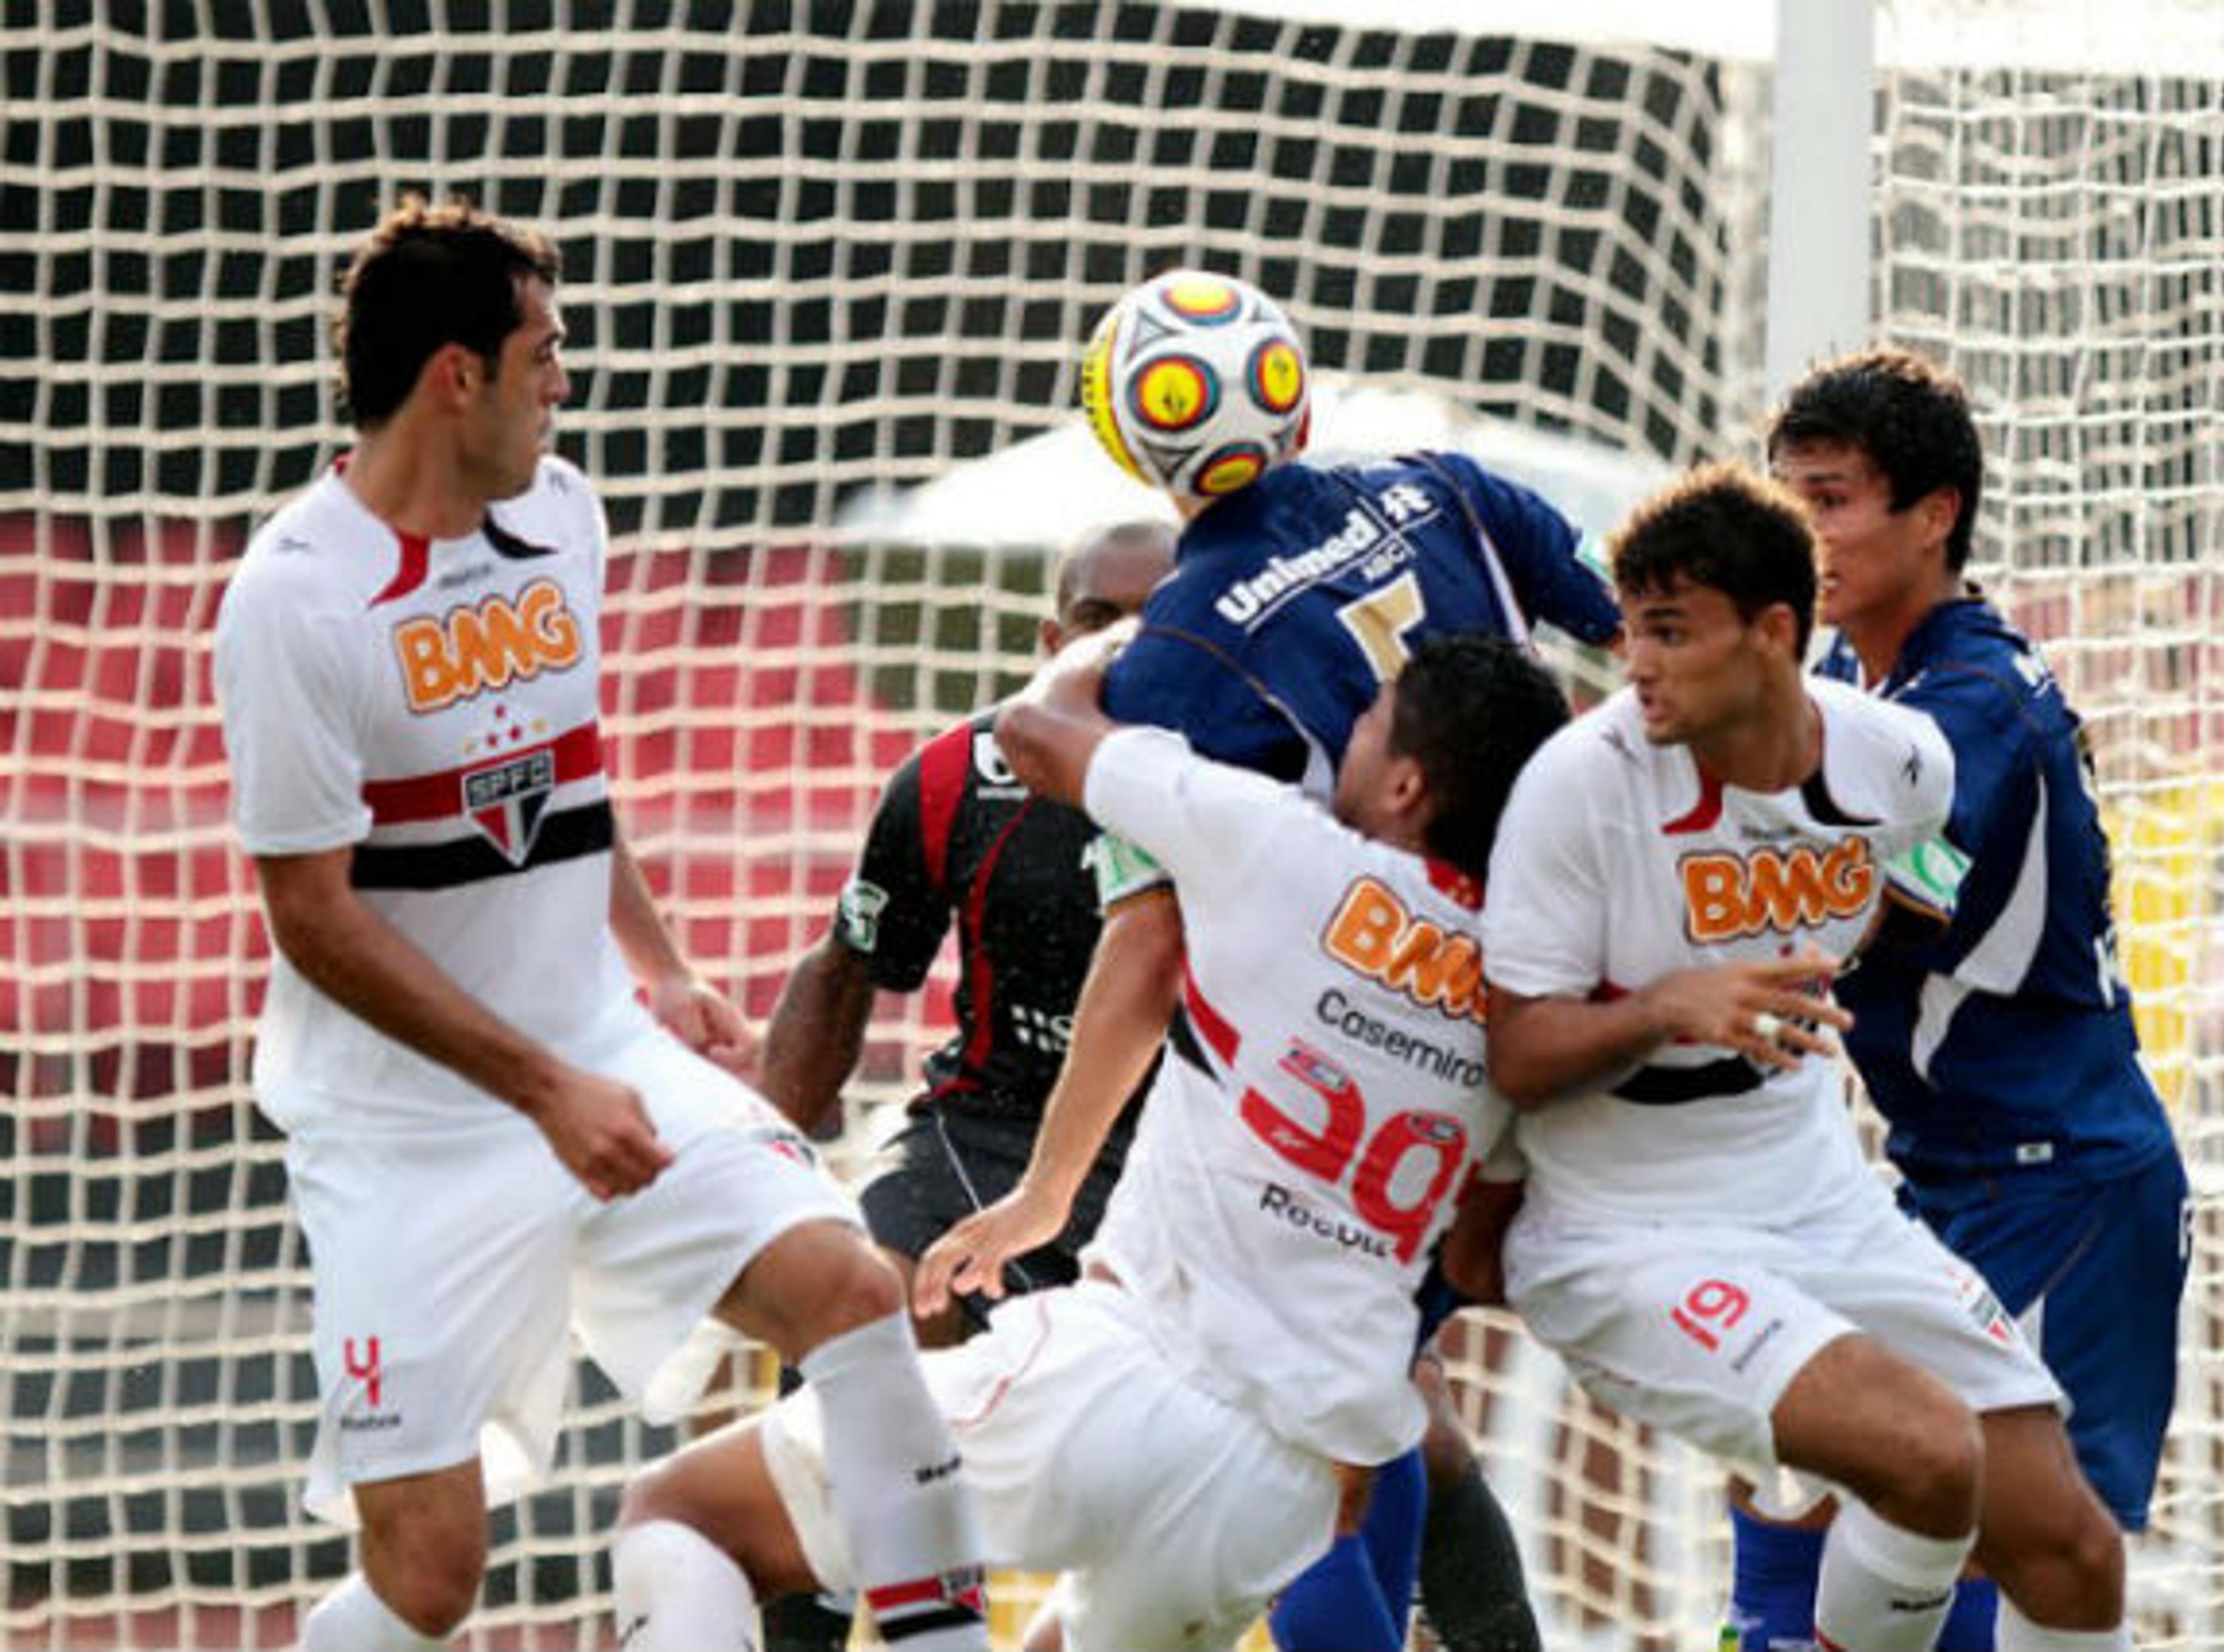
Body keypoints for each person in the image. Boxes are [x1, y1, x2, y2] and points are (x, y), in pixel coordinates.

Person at [211, 198, 986, 1652]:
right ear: (458, 376)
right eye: (544, 353)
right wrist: (545, 1090)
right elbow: (313, 922)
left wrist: (661, 968)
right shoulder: (294, 602)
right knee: (428, 1578)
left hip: (599, 1053)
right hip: (408, 1139)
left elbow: (563, 777)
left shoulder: (561, 513)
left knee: (851, 1289)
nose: (563, 381)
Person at [611, 631, 1575, 1651]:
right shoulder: (1522, 1009)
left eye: (1371, 721)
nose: (1347, 728)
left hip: (1131, 1380)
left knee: (680, 1511)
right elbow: (1474, 1255)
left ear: (1407, 785)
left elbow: (1041, 730)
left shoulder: (1280, 846)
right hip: (1282, 1491)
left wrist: (1138, 642)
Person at [931, 267, 1622, 1652]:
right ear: (1295, 400)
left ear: (1125, 436)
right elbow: (1645, 652)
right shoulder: (1452, 488)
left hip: (1354, 1047)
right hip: (1562, 1002)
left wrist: (1048, 1191)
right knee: (1368, 1418)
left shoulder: (1177, 657)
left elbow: (1149, 938)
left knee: (1315, 1447)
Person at [1474, 462, 2134, 1652]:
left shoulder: (1908, 760)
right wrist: (1668, 1004)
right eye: (1631, 631)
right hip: (1624, 1223)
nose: (1638, 664)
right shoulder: (1580, 787)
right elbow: (1519, 1053)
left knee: (2073, 1552)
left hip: (1812, 1180)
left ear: (1775, 634)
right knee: (1927, 1455)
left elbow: (1916, 883)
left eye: (1671, 634)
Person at [1705, 348, 2192, 1652]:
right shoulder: (1869, 689)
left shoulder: (1966, 704)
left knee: (2031, 1544)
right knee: (1805, 1464)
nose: (1806, 534)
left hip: (2061, 1185)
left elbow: (1868, 908)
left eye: (1836, 500)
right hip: (1950, 1176)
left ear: (1936, 515)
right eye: (1791, 499)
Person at [759, 519, 1176, 1347]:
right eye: (1099, 619)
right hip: (991, 1130)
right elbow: (846, 967)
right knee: (864, 1308)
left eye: (1157, 616)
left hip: (1189, 1153)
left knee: (1413, 1430)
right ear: (1053, 641)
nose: (1126, 642)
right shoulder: (959, 775)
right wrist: (756, 1171)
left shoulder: (1274, 775)